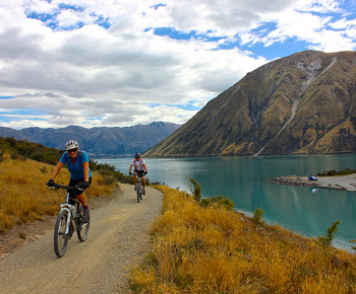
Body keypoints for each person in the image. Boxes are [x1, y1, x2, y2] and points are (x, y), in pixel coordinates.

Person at [46, 140, 92, 221]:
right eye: (69, 151)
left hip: (85, 178)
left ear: (77, 149)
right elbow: (58, 167)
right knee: (69, 198)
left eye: (74, 150)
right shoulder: (66, 155)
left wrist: (85, 181)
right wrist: (51, 179)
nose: (72, 152)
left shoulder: (82, 155)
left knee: (78, 191)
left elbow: (86, 167)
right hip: (73, 179)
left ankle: (85, 208)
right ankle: (69, 225)